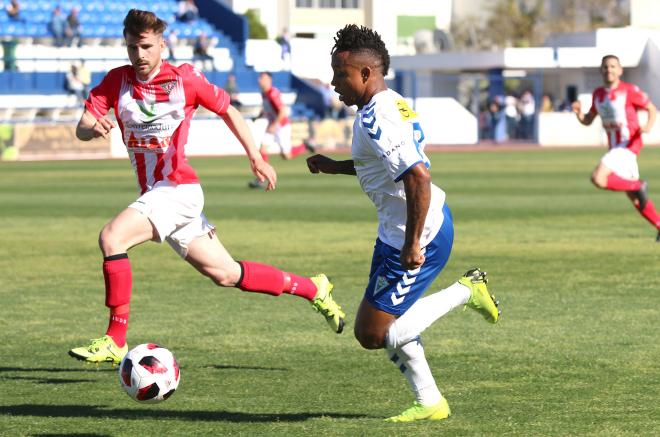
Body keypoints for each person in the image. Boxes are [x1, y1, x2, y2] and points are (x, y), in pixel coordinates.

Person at [68, 9, 345, 366]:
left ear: (162, 45)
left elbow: (228, 110)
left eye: (147, 47)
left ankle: (115, 339)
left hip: (178, 189)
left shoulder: (185, 80)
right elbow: (83, 125)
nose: (139, 55)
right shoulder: (115, 81)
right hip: (157, 195)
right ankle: (314, 288)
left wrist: (256, 157)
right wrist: (92, 129)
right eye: (132, 47)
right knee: (227, 274)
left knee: (112, 238)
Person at [306, 24, 500, 422]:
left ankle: (467, 290)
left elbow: (417, 177)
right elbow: (383, 166)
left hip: (417, 236)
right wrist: (335, 166)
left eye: (340, 74)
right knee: (371, 329)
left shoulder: (380, 117)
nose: (333, 82)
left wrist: (413, 244)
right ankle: (430, 402)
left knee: (380, 333)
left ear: (365, 73)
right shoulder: (388, 103)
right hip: (396, 233)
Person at [573, 54, 660, 241]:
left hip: (628, 144)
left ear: (620, 70)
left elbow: (652, 109)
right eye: (605, 67)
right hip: (616, 148)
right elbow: (588, 120)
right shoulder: (598, 94)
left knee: (599, 178)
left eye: (613, 66)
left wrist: (648, 126)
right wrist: (579, 113)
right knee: (636, 198)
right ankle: (659, 224)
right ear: (601, 70)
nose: (609, 70)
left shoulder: (629, 91)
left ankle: (638, 185)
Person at [248, 71, 315, 188]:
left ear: (269, 80)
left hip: (281, 126)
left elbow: (282, 112)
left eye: (262, 78)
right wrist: (258, 117)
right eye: (259, 78)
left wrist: (275, 125)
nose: (259, 80)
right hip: (272, 125)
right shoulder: (264, 93)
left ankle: (304, 145)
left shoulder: (273, 93)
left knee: (286, 156)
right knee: (262, 150)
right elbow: (267, 109)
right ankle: (261, 178)